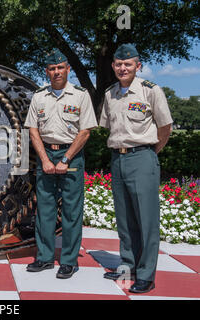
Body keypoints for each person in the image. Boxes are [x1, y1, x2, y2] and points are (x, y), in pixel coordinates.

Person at [99, 43, 173, 293]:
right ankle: (128, 264)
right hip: (117, 159)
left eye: (128, 64)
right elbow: (107, 126)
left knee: (146, 219)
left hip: (142, 157)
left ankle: (146, 274)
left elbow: (165, 128)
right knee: (124, 218)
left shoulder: (151, 92)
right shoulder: (110, 94)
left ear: (138, 66)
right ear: (113, 66)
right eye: (119, 64)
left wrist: (151, 153)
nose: (123, 68)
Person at [24, 49, 98, 279]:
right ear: (47, 72)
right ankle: (44, 257)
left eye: (60, 67)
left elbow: (85, 131)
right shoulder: (39, 96)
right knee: (44, 210)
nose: (56, 72)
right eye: (52, 69)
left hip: (71, 155)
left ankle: (68, 261)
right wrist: (45, 159)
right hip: (46, 153)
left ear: (68, 69)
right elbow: (33, 130)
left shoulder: (80, 95)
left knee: (71, 210)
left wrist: (66, 159)